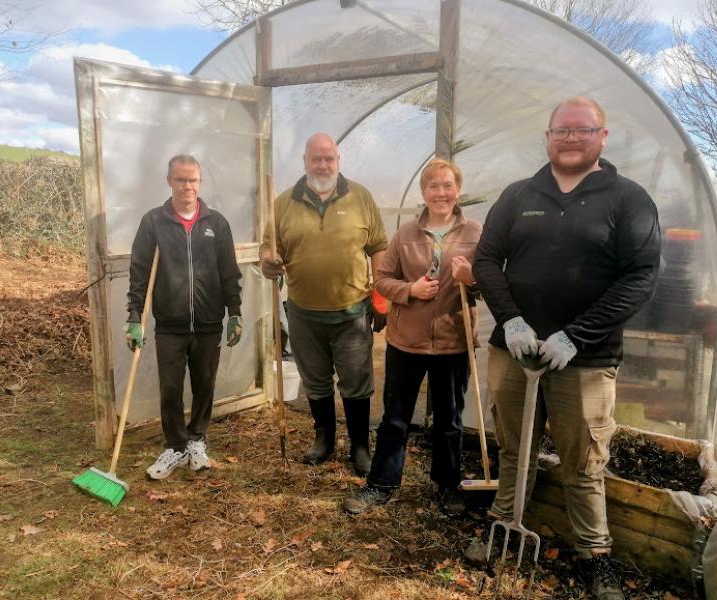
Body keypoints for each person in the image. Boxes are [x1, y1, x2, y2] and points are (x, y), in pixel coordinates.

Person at [464, 97, 660, 600]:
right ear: (548, 137)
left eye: (582, 129)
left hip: (586, 359)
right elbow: (487, 259)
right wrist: (510, 321)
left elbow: (639, 278)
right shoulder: (519, 194)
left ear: (602, 136)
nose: (570, 138)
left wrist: (578, 334)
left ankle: (595, 554)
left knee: (583, 460)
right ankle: (502, 525)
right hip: (516, 351)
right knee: (515, 448)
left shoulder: (627, 198)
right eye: (561, 130)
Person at [342, 158, 481, 517]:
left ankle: (447, 485)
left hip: (453, 341)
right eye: (433, 186)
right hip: (406, 342)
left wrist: (471, 279)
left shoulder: (475, 234)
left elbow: (489, 285)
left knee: (450, 419)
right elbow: (382, 280)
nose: (441, 192)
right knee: (396, 417)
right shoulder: (405, 234)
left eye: (447, 185)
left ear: (458, 190)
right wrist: (410, 290)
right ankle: (381, 483)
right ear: (424, 192)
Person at [260, 133, 388, 475]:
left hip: (352, 312)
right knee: (315, 380)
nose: (323, 164)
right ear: (304, 161)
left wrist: (380, 295)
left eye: (329, 158)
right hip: (304, 313)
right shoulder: (284, 203)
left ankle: (360, 446)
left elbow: (378, 247)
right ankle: (324, 439)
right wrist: (269, 261)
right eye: (316, 158)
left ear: (338, 160)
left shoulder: (360, 197)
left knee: (356, 380)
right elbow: (268, 251)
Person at [126, 154, 243, 480]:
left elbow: (229, 272)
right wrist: (134, 316)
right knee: (170, 389)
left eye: (193, 180)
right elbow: (139, 273)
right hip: (171, 326)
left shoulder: (216, 224)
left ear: (200, 182)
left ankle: (196, 439)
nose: (187, 186)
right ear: (169, 181)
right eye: (180, 179)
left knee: (205, 385)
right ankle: (176, 445)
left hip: (208, 324)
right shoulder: (154, 222)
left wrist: (235, 312)